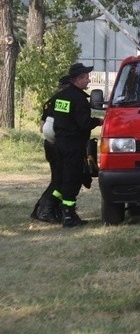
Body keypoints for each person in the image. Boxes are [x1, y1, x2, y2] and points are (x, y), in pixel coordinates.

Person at [52, 62, 103, 227]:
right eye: (86, 77)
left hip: (58, 143)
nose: (89, 80)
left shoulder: (61, 96)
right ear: (78, 79)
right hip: (73, 145)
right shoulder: (79, 99)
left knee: (62, 178)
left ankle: (55, 209)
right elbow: (84, 123)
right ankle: (68, 216)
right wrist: (99, 121)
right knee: (72, 179)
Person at [31, 75, 71, 224]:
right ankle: (45, 210)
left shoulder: (50, 102)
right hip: (58, 145)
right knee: (59, 180)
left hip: (50, 144)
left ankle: (41, 209)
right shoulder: (63, 101)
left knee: (57, 179)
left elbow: (42, 127)